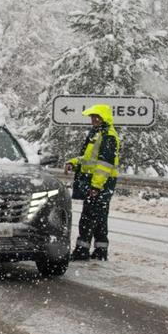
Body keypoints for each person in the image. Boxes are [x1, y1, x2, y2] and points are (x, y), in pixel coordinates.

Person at [64, 104, 120, 261]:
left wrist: (96, 186)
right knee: (99, 216)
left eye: (97, 117)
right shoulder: (97, 133)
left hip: (102, 183)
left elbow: (104, 165)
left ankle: (83, 250)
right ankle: (100, 251)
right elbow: (89, 159)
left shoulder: (108, 135)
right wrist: (74, 162)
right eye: (92, 117)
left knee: (89, 216)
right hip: (99, 183)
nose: (93, 120)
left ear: (104, 118)